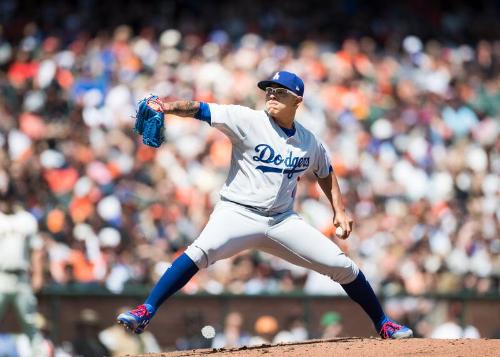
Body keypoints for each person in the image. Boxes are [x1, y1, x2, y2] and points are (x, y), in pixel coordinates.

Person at [117, 70, 413, 339]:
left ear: (297, 100)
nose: (271, 94)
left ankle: (384, 323)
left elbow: (325, 171)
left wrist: (340, 210)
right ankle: (146, 310)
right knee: (199, 252)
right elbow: (199, 109)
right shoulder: (246, 120)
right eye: (269, 90)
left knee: (342, 265)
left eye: (279, 91)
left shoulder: (309, 141)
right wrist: (166, 107)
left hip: (283, 221)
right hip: (237, 212)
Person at [0, 193, 45, 352]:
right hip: (1, 276)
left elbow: (36, 249)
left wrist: (38, 274)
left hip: (21, 277)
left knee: (31, 324)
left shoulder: (26, 219)